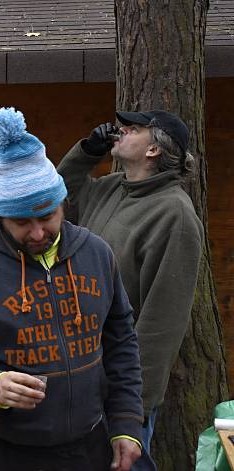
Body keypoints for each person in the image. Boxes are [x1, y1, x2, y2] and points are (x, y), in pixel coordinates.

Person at [0, 107, 144, 471]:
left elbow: (121, 341)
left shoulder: (96, 254)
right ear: (0, 217)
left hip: (87, 447)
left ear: (62, 204)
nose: (37, 233)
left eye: (47, 217)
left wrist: (127, 423)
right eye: (22, 222)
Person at [57, 110, 203, 470]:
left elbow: (162, 323)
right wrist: (87, 152)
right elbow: (61, 190)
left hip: (119, 386)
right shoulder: (110, 188)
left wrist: (130, 402)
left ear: (153, 150)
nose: (121, 130)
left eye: (134, 128)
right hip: (82, 370)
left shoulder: (175, 215)